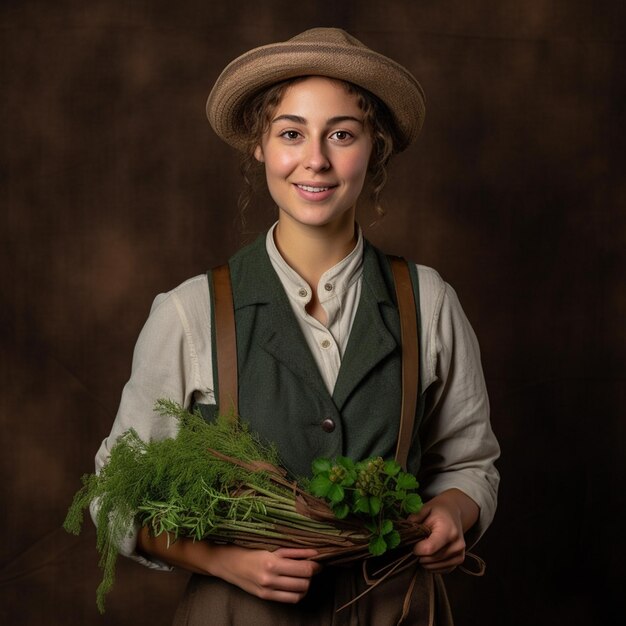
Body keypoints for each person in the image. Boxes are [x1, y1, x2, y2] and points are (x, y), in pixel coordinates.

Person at [93, 27, 500, 625]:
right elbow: (113, 497)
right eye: (291, 133)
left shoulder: (429, 301)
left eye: (341, 134)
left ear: (374, 147)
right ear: (260, 146)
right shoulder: (189, 312)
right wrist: (224, 560)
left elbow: (469, 462)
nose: (316, 159)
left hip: (393, 609)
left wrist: (453, 514)